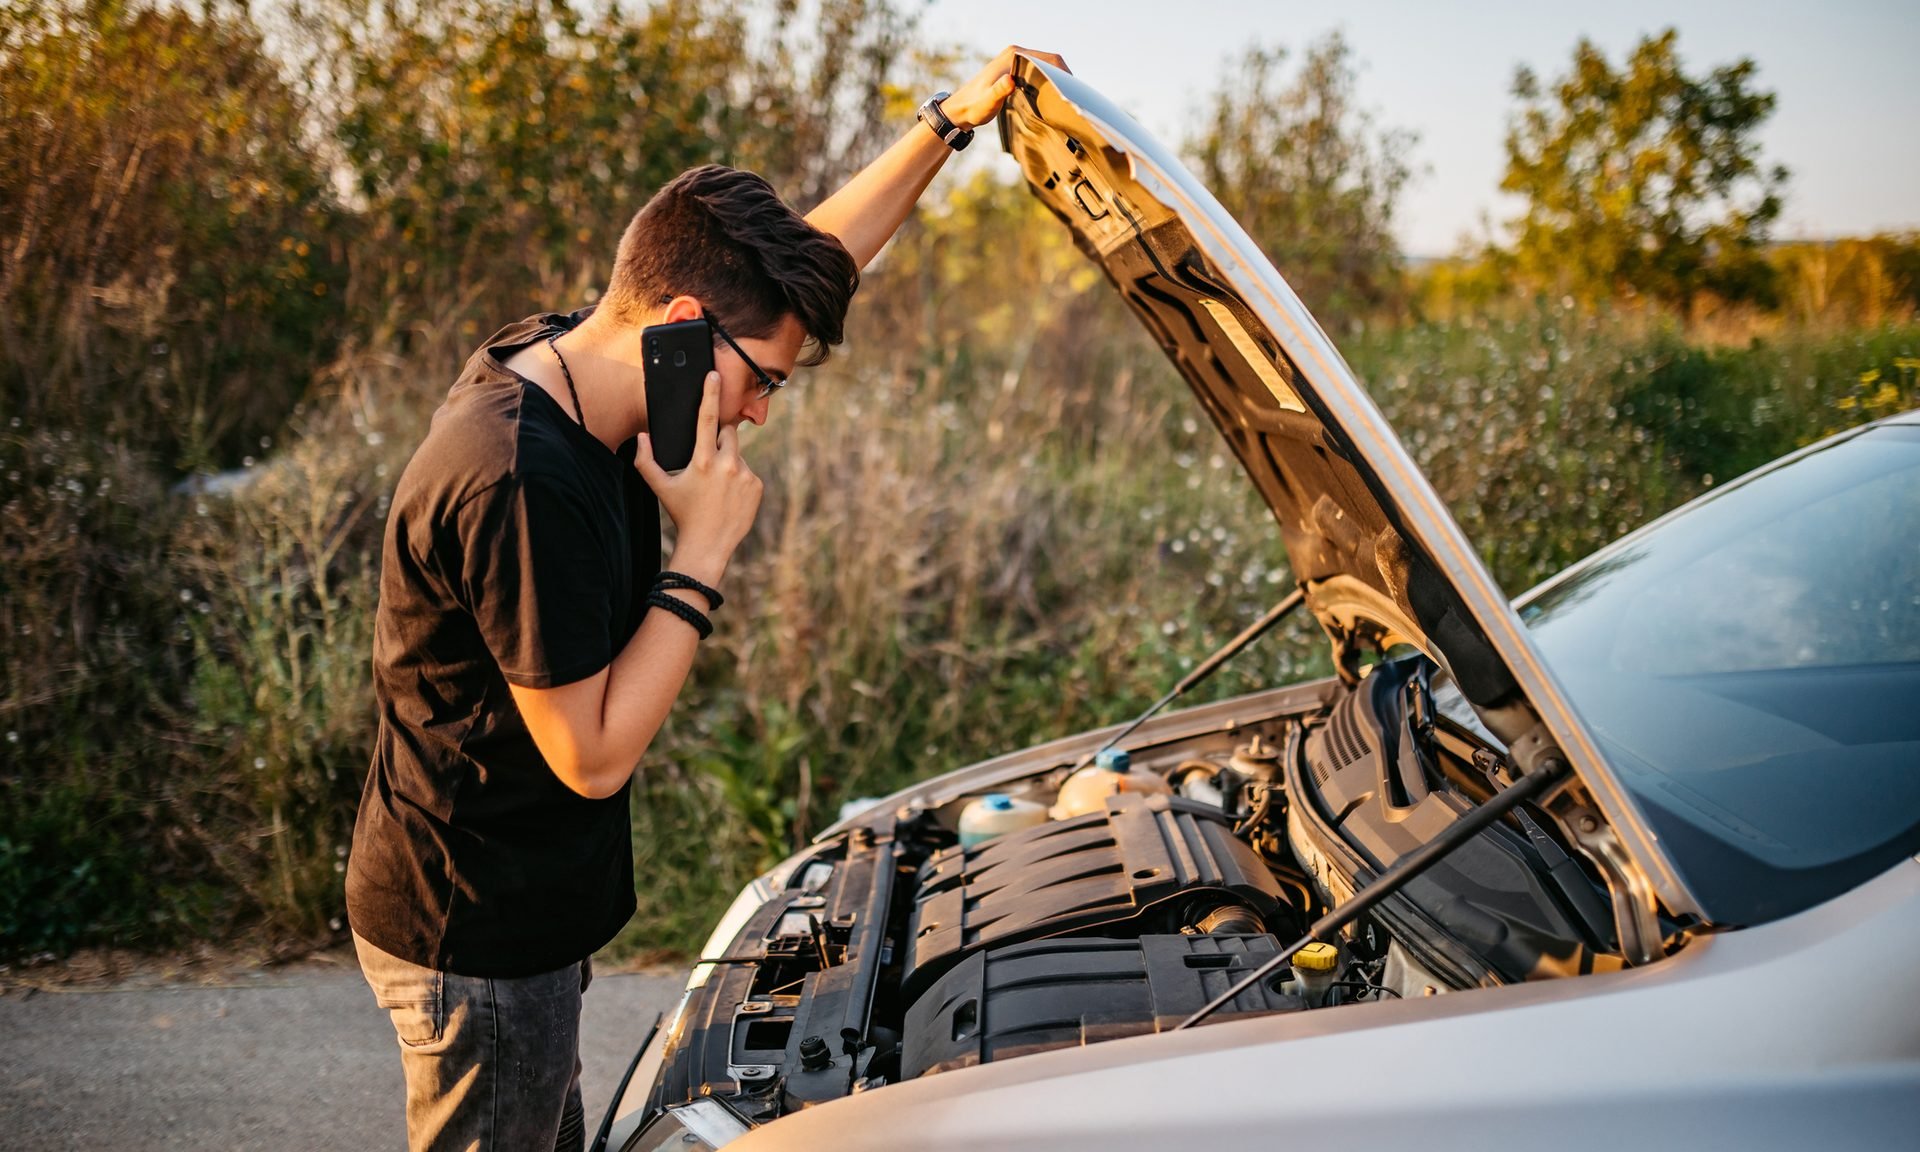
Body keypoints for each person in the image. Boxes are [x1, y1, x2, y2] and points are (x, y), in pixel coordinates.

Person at [344, 46, 1068, 1152]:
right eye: (763, 382)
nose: (762, 413)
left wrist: (945, 127)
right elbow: (592, 755)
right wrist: (705, 554)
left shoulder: (578, 354)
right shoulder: (516, 479)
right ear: (681, 324)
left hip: (525, 899)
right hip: (478, 933)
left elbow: (804, 269)